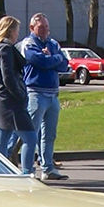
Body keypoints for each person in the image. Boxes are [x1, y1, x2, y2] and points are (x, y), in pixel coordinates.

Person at [19, 13, 72, 180]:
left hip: (52, 95)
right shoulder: (29, 43)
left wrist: (51, 57)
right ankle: (27, 170)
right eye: (41, 28)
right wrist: (51, 59)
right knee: (31, 133)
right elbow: (38, 61)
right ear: (32, 28)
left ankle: (48, 168)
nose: (45, 31)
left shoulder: (53, 43)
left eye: (46, 27)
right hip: (35, 93)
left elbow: (64, 64)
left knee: (49, 134)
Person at [0, 16, 35, 172]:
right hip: (10, 102)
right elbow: (8, 76)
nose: (18, 34)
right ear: (11, 31)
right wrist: (20, 94)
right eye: (17, 30)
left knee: (2, 140)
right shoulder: (5, 49)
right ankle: (27, 172)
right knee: (30, 137)